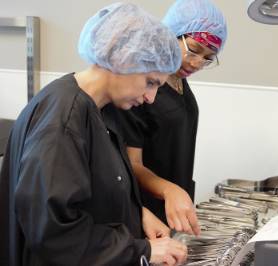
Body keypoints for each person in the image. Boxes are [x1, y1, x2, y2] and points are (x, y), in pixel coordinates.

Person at [0, 2, 188, 266]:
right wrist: (142, 250)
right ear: (124, 60)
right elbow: (54, 233)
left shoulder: (96, 108)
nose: (150, 97)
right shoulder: (63, 120)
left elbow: (95, 190)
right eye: (150, 82)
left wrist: (137, 214)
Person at [102, 0, 227, 236]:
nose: (198, 62)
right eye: (194, 49)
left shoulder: (179, 79)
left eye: (208, 57)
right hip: (143, 215)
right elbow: (130, 165)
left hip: (172, 209)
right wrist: (169, 190)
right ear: (171, 34)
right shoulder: (138, 91)